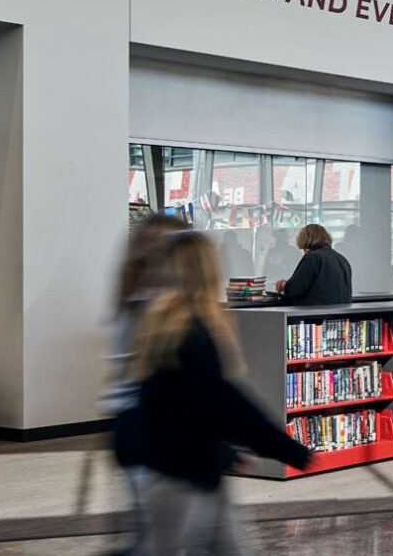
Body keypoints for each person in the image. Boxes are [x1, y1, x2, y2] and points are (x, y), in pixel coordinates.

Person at [128, 232, 312, 551]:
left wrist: (224, 454)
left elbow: (186, 406)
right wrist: (289, 450)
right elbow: (223, 403)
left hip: (186, 469)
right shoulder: (194, 336)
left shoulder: (162, 327)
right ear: (205, 271)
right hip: (183, 478)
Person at [104, 214, 189, 553]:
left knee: (151, 532)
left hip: (130, 423)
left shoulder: (131, 295)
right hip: (156, 429)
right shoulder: (159, 305)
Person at [276, 223, 353, 305]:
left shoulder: (313, 257)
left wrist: (283, 285)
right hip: (339, 315)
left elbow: (296, 288)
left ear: (305, 239)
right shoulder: (341, 259)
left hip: (316, 314)